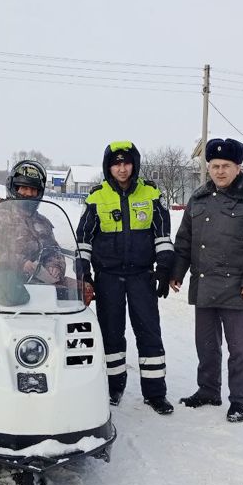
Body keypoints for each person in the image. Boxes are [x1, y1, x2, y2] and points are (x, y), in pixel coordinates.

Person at [170, 138, 243, 423]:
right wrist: (177, 272)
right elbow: (185, 240)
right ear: (208, 167)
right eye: (215, 165)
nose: (220, 171)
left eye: (226, 166)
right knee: (206, 344)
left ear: (238, 167)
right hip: (204, 284)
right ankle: (208, 391)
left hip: (238, 289)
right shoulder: (199, 198)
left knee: (238, 349)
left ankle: (239, 401)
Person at [76, 141, 175, 415]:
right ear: (108, 167)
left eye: (126, 163)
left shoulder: (151, 193)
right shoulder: (97, 197)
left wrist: (164, 268)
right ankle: (113, 388)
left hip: (142, 276)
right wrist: (84, 274)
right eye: (116, 164)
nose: (122, 169)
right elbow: (83, 240)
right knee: (111, 335)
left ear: (135, 165)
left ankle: (155, 393)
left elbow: (162, 235)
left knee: (149, 333)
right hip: (108, 277)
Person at [0, 160, 65, 288]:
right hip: (2, 286)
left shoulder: (43, 223)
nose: (29, 193)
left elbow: (54, 251)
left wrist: (55, 266)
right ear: (14, 188)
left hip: (39, 288)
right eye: (24, 188)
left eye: (33, 190)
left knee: (77, 291)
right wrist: (20, 263)